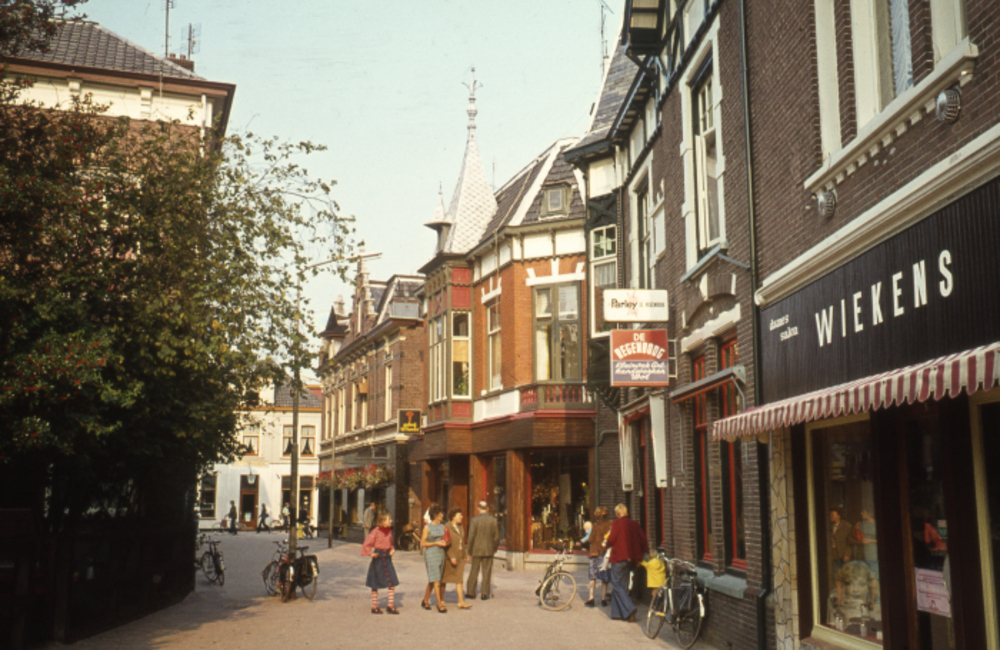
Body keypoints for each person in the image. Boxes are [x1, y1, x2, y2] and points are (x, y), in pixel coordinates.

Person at [604, 503, 647, 622]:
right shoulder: (634, 524)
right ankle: (620, 614)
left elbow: (612, 539)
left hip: (619, 557)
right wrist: (642, 553)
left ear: (618, 513)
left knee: (616, 584)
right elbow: (643, 539)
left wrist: (606, 545)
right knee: (623, 585)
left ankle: (630, 608)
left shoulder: (617, 523)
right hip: (631, 559)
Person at [362, 512, 400, 614]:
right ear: (382, 521)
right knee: (375, 583)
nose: (391, 521)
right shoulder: (375, 531)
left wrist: (392, 548)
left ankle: (390, 605)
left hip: (387, 558)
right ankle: (374, 606)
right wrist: (371, 553)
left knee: (392, 581)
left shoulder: (389, 531)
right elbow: (367, 543)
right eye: (389, 519)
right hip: (378, 558)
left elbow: (390, 543)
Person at [466, 500, 500, 601]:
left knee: (474, 571)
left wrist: (469, 551)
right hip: (488, 550)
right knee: (487, 572)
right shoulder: (493, 520)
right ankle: (485, 593)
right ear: (487, 509)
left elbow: (471, 537)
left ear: (478, 509)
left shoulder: (474, 520)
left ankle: (471, 592)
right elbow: (496, 537)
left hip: (476, 550)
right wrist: (494, 548)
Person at [420, 504, 449, 613]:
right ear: (435, 515)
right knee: (436, 580)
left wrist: (445, 543)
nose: (442, 515)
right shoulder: (427, 527)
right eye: (440, 514)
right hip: (431, 554)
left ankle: (425, 600)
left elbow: (446, 538)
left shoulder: (442, 526)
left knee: (434, 579)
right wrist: (436, 543)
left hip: (441, 553)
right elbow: (423, 543)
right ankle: (439, 604)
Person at [442, 507, 472, 609]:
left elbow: (462, 542)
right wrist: (451, 557)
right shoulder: (446, 527)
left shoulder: (461, 526)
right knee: (444, 579)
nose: (462, 517)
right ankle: (441, 599)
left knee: (459, 579)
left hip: (459, 556)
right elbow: (446, 544)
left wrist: (464, 555)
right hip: (449, 558)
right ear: (453, 516)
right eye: (460, 515)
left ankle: (461, 601)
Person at [585, 506, 614, 607]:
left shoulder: (596, 525)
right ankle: (603, 599)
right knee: (604, 577)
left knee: (592, 577)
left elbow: (590, 539)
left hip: (595, 552)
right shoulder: (610, 524)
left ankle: (591, 598)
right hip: (605, 553)